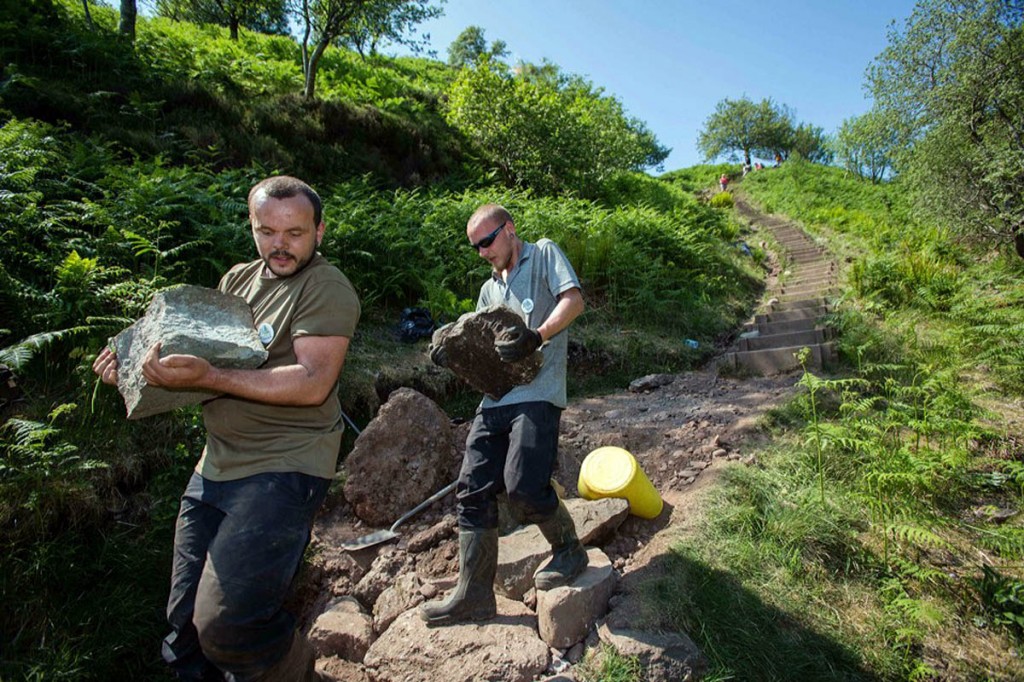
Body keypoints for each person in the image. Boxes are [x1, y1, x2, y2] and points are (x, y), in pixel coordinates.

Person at [93, 176, 360, 682]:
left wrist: (211, 376)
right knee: (183, 633)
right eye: (267, 231)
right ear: (252, 227)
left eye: (295, 233)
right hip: (215, 465)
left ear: (319, 231)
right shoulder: (237, 279)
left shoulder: (326, 287)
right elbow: (206, 373)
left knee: (226, 625)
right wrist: (134, 374)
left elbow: (312, 383)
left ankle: (299, 669)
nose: (279, 245)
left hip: (286, 466)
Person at [419, 203, 587, 626]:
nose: (482, 251)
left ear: (509, 229)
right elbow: (476, 344)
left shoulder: (544, 252)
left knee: (524, 487)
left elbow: (574, 300)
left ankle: (569, 549)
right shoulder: (488, 289)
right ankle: (474, 594)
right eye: (475, 246)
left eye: (487, 241)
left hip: (539, 393)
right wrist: (450, 353)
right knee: (471, 490)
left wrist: (538, 335)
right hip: (494, 400)